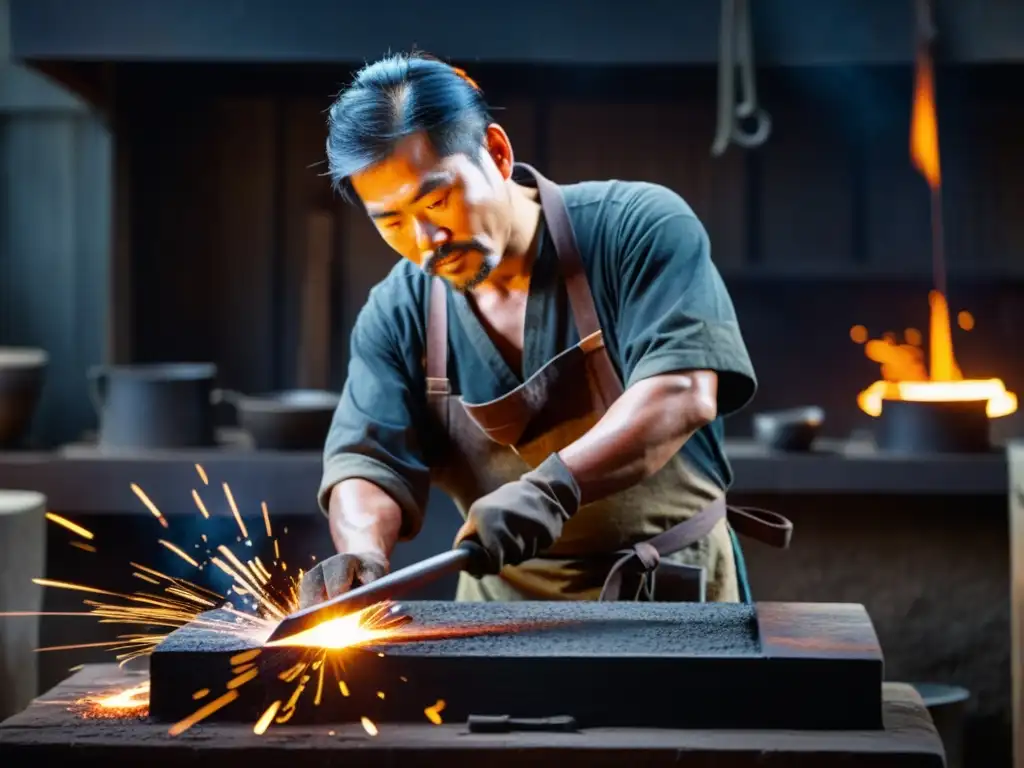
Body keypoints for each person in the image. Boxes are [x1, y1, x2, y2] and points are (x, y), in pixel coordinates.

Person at [299, 52, 790, 610]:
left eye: (437, 199)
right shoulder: (399, 310)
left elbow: (682, 393)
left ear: (499, 154)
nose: (425, 238)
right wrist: (361, 552)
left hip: (671, 595)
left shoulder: (637, 228)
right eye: (391, 221)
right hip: (497, 616)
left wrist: (552, 489)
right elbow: (369, 462)